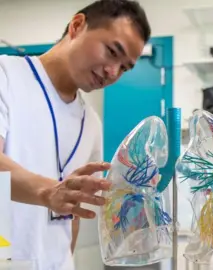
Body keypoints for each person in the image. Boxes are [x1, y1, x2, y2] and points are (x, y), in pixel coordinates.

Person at [0, 0, 151, 269]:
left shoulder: (91, 123)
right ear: (77, 26)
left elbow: (74, 213)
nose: (112, 71)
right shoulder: (7, 76)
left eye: (125, 68)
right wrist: (48, 192)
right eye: (112, 51)